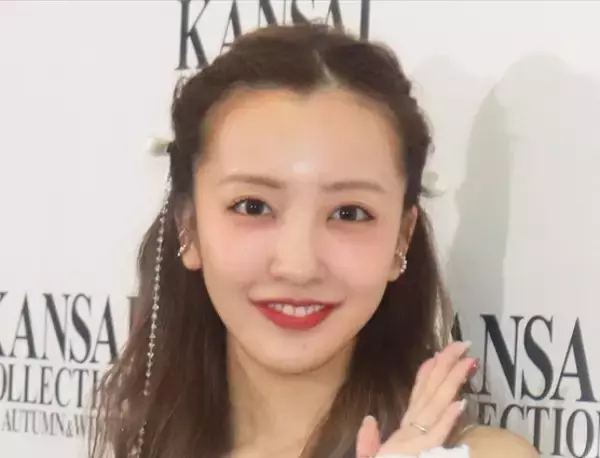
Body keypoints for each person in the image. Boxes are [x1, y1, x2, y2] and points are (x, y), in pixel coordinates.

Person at [91, 23, 538, 458]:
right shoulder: (144, 445)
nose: (298, 265)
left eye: (349, 213)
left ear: (402, 238)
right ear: (188, 227)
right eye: (253, 206)